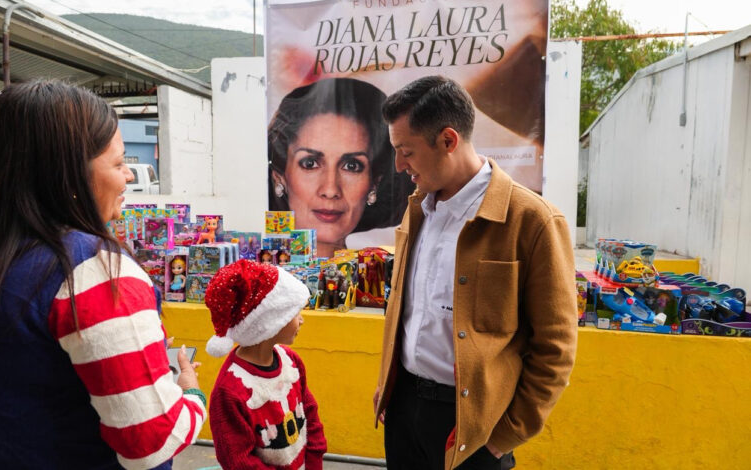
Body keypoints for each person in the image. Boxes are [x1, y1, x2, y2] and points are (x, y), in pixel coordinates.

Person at [0, 80, 206, 469]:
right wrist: (191, 395)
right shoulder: (94, 270)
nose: (129, 178)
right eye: (119, 164)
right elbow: (149, 440)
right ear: (68, 175)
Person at [372, 76, 578, 470]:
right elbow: (406, 311)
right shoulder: (417, 210)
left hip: (475, 428)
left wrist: (503, 439)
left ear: (448, 140)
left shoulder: (532, 221)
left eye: (406, 151)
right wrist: (389, 385)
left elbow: (556, 347)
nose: (399, 165)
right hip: (402, 412)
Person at [268, 77, 413, 258]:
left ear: (374, 184)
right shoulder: (262, 280)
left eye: (351, 166)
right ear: (279, 177)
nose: (330, 190)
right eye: (310, 163)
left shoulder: (383, 275)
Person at [204, 259, 326, 470]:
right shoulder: (230, 391)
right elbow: (238, 460)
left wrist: (314, 463)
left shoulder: (291, 362)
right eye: (295, 313)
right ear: (269, 323)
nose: (302, 320)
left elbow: (310, 416)